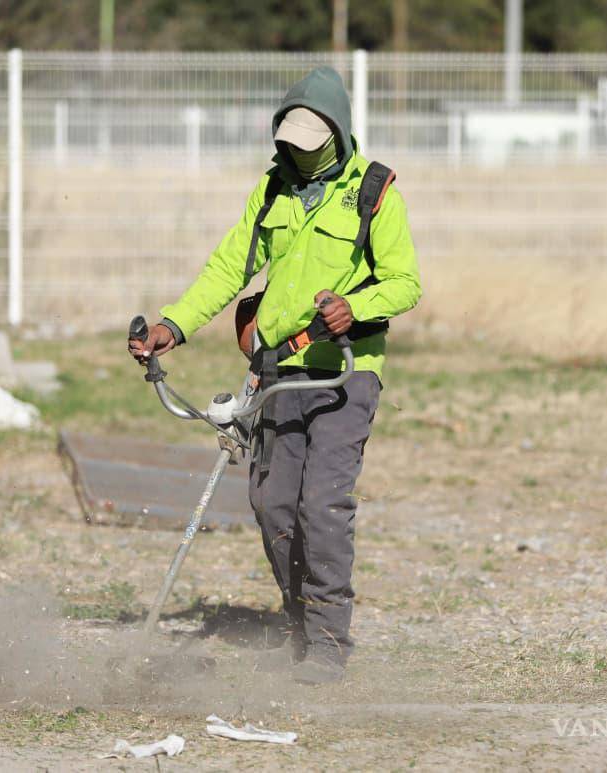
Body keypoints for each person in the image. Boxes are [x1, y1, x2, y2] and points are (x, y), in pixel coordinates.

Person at [129, 66, 421, 684]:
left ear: (338, 134)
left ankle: (327, 642)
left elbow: (405, 282)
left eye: (310, 142)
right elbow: (226, 269)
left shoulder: (374, 192)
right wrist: (172, 327)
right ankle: (299, 620)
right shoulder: (272, 192)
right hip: (277, 372)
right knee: (272, 503)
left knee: (323, 504)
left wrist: (355, 308)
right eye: (290, 140)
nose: (298, 152)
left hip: (344, 374)